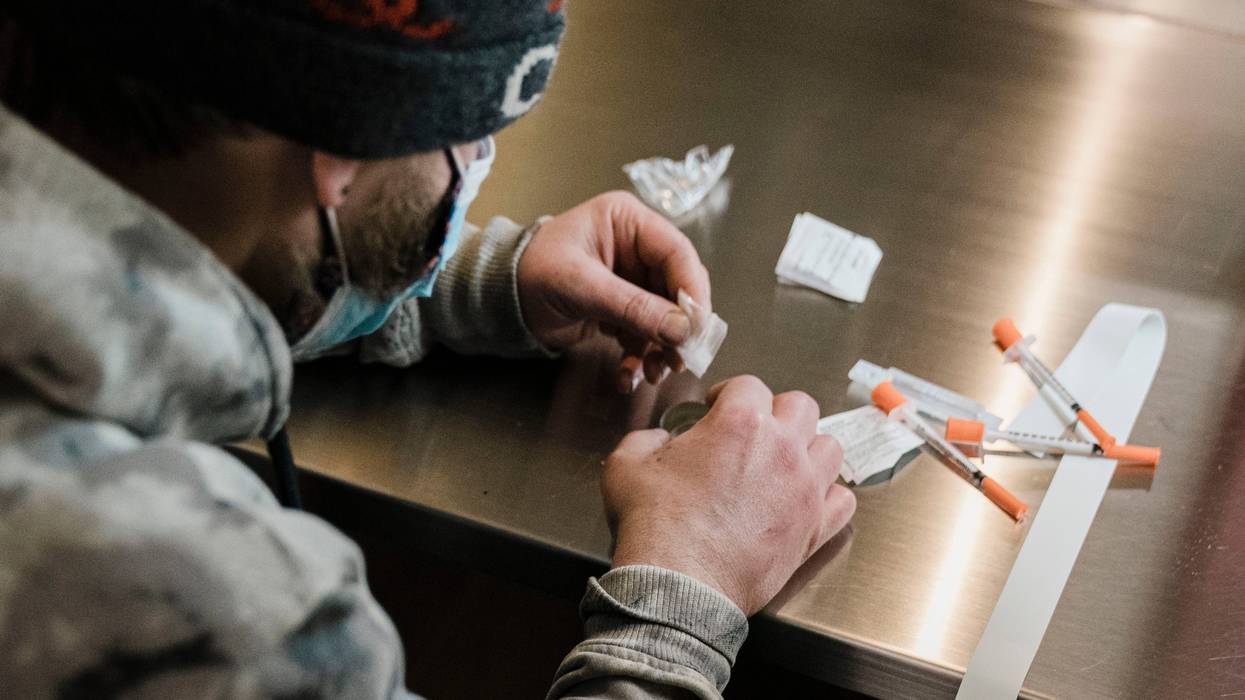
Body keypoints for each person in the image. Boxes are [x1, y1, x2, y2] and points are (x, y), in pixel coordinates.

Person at [0, 2, 856, 697]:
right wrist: (680, 600)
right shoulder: (216, 614)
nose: (477, 160)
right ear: (347, 152)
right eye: (470, 135)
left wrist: (462, 279)